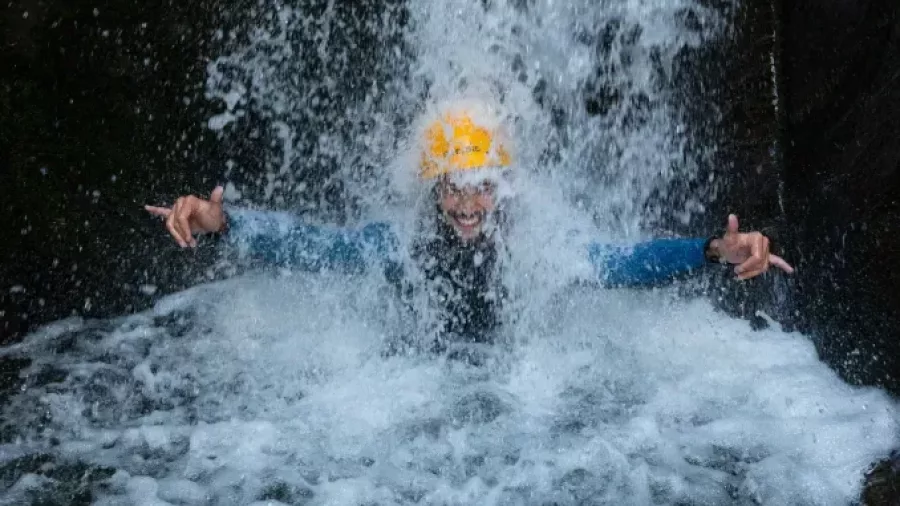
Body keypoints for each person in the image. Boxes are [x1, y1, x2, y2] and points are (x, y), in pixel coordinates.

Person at [146, 108, 794, 354]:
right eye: (453, 185)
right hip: (421, 385)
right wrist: (224, 225)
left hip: (509, 391)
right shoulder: (397, 246)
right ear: (433, 190)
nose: (467, 202)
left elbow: (623, 263)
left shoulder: (535, 249)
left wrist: (711, 249)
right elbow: (315, 247)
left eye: (482, 185)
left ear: (501, 191)